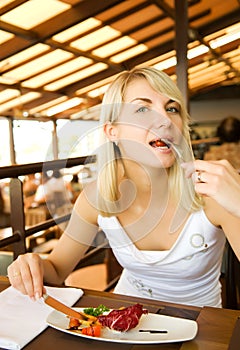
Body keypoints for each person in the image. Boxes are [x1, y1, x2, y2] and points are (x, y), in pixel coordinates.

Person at [7, 66, 240, 308]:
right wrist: (31, 265)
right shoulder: (96, 196)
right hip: (126, 323)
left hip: (203, 330)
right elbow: (56, 270)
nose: (166, 120)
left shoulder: (211, 193)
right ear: (112, 131)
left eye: (172, 109)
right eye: (142, 108)